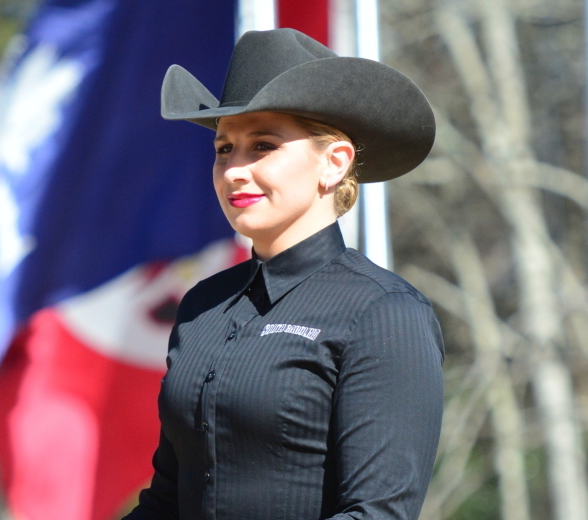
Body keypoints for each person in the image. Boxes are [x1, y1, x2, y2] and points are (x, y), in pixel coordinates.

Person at [124, 28, 444, 520]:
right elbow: (167, 501)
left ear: (334, 163)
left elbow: (377, 513)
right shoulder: (201, 308)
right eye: (223, 149)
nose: (234, 170)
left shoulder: (383, 312)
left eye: (263, 146)